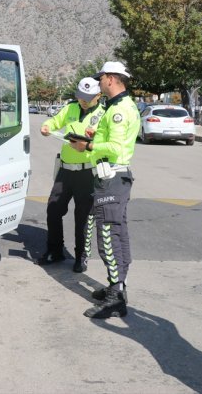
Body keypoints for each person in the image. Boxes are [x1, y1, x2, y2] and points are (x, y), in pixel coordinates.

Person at [69, 61, 140, 319]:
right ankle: (118, 286)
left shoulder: (120, 109)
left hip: (111, 177)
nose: (98, 83)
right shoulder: (118, 106)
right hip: (112, 177)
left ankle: (115, 298)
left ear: (111, 79)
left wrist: (87, 148)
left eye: (100, 79)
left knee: (108, 236)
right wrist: (91, 138)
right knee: (118, 234)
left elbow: (116, 147)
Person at [36, 77, 104, 273]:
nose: (83, 100)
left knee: (83, 217)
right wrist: (47, 126)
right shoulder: (70, 108)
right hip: (66, 171)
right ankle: (55, 250)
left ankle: (81, 256)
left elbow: (103, 145)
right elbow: (55, 120)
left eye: (88, 97)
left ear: (98, 96)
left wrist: (88, 147)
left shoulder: (103, 114)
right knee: (53, 209)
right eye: (81, 96)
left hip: (87, 172)